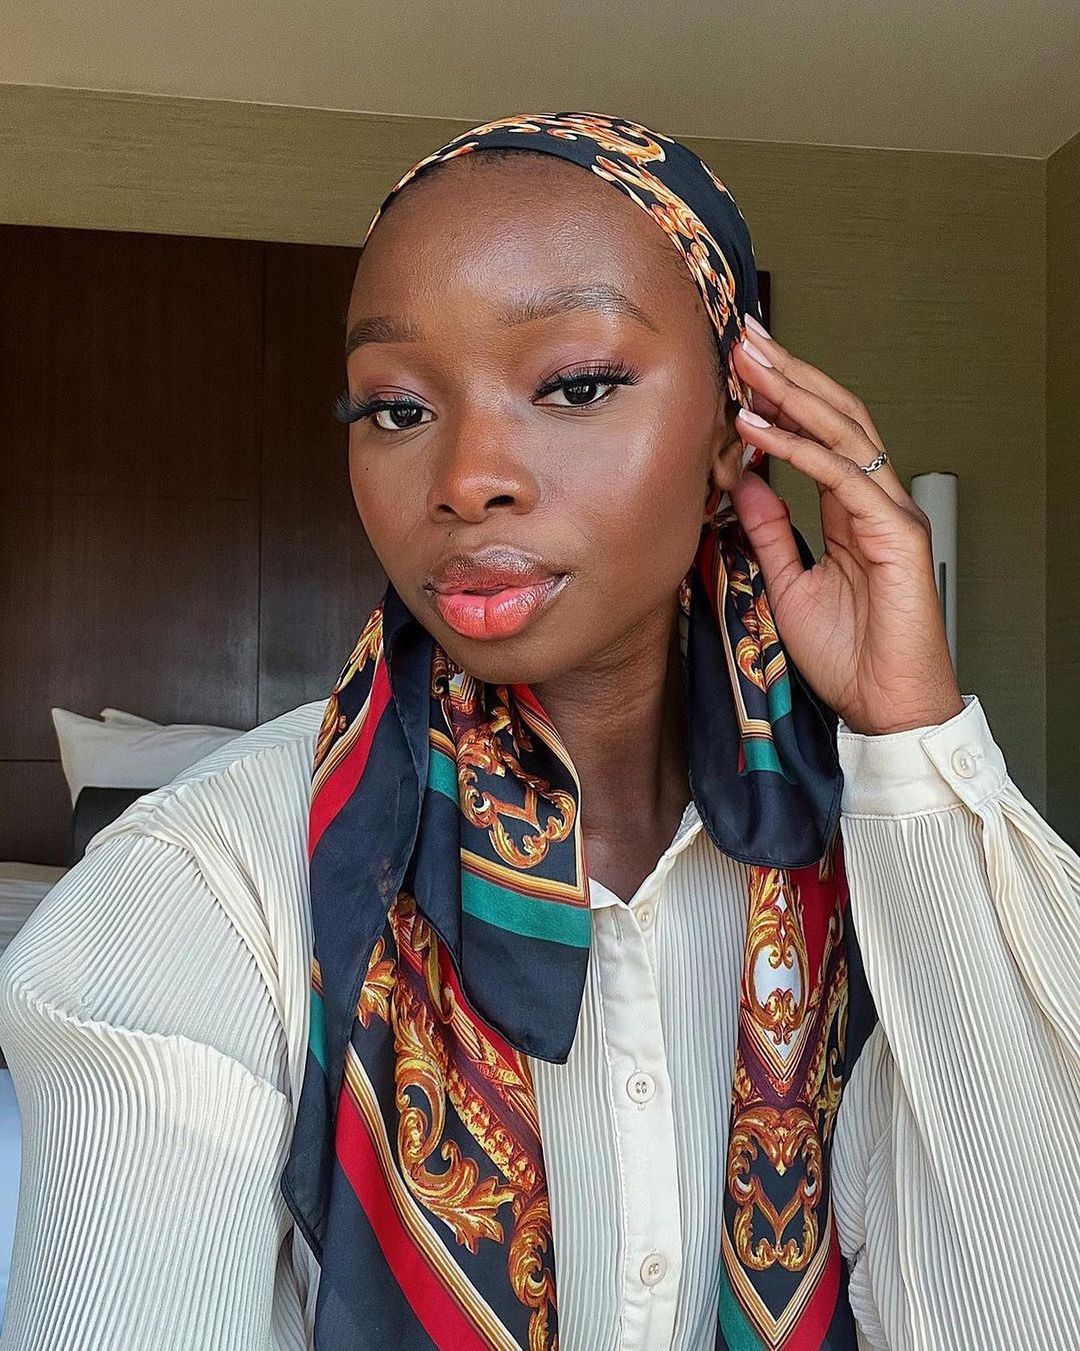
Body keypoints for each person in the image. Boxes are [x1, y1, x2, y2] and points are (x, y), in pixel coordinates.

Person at [0, 111, 1076, 1351]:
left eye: (575, 386)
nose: (466, 477)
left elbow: (1023, 1308)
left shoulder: (872, 844)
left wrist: (912, 745)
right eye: (396, 408)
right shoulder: (199, 888)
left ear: (733, 425)